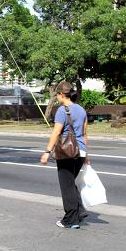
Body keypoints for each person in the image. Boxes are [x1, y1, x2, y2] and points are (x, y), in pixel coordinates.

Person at [40, 81, 88, 229]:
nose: (57, 98)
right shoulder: (81, 110)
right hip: (80, 151)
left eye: (57, 95)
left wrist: (47, 152)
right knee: (70, 182)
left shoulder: (62, 110)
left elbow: (56, 132)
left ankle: (70, 220)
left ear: (62, 94)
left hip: (67, 151)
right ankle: (79, 212)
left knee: (66, 186)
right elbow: (85, 134)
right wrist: (87, 156)